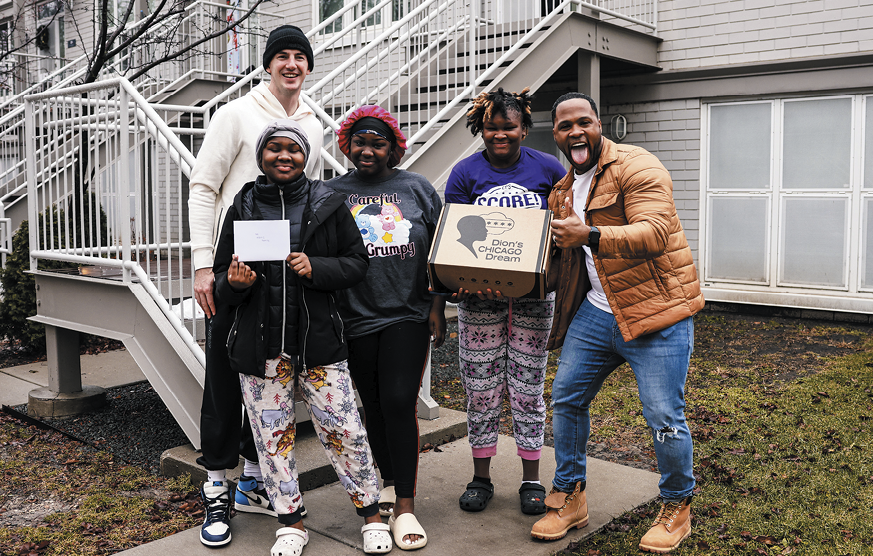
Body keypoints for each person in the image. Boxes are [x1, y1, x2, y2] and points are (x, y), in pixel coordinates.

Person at [530, 92, 704, 554]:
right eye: (564, 126)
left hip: (657, 313)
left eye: (583, 122)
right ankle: (571, 496)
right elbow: (562, 263)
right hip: (598, 311)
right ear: (557, 134)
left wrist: (589, 233)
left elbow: (655, 233)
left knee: (664, 414)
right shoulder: (564, 189)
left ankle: (676, 506)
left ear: (599, 124)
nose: (574, 132)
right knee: (566, 398)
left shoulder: (636, 165)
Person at [212, 119, 392, 556]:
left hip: (320, 346)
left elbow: (357, 264)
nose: (284, 156)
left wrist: (319, 268)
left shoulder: (327, 203)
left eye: (292, 148)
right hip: (263, 350)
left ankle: (371, 515)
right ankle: (290, 522)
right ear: (261, 157)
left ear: (305, 155)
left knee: (346, 430)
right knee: (272, 441)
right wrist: (234, 283)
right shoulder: (242, 206)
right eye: (274, 148)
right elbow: (220, 281)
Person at [188, 24, 324, 547]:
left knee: (271, 377)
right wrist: (205, 267)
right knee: (224, 376)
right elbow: (203, 187)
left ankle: (251, 480)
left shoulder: (312, 122)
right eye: (282, 57)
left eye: (300, 57)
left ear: (309, 66)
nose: (292, 65)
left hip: (287, 276)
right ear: (268, 64)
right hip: (236, 268)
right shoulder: (236, 115)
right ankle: (217, 486)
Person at [328, 105, 446, 550]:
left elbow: (441, 249)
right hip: (354, 318)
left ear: (393, 147)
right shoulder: (331, 192)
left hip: (408, 314)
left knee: (398, 401)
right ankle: (385, 482)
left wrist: (438, 305)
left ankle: (406, 506)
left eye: (378, 142)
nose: (368, 150)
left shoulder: (415, 188)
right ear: (347, 145)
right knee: (371, 404)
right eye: (360, 141)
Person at [444, 88, 566, 516]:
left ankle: (531, 479)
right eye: (491, 127)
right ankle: (481, 477)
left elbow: (561, 233)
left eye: (508, 127)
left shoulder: (549, 169)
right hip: (480, 300)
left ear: (524, 128)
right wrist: (462, 283)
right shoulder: (464, 174)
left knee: (529, 386)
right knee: (480, 387)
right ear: (481, 128)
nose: (500, 134)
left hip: (534, 298)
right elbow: (454, 239)